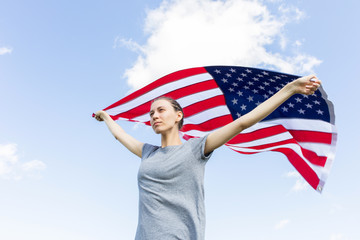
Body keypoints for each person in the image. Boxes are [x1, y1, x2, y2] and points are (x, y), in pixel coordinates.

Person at [94, 74, 321, 240]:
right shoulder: (148, 153)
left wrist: (289, 89)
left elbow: (243, 122)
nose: (154, 116)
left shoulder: (196, 149)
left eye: (161, 110)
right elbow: (120, 136)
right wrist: (106, 117)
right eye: (151, 113)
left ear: (178, 116)